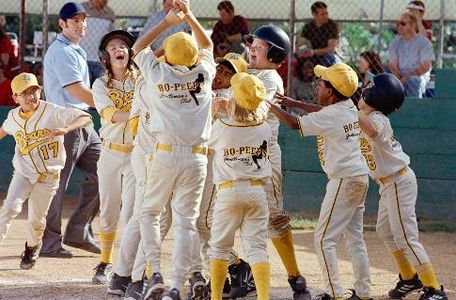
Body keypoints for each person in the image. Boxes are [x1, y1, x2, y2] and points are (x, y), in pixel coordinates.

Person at [132, 1, 216, 299]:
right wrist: (189, 15)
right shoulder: (204, 75)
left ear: (165, 55)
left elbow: (138, 48)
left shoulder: (157, 74)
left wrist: (168, 23)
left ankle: (155, 272)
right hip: (197, 158)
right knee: (185, 222)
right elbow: (207, 44)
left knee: (150, 212)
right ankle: (178, 286)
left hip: (165, 154)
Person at [268, 63, 372, 300]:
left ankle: (335, 293)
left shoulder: (333, 114)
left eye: (322, 84)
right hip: (359, 178)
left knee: (324, 239)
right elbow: (322, 111)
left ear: (331, 92)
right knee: (355, 239)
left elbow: (295, 124)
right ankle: (364, 292)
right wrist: (295, 104)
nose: (317, 85)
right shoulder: (348, 106)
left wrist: (270, 106)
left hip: (344, 181)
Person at [357, 73, 448, 300]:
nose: (364, 88)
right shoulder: (362, 115)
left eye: (369, 87)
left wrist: (349, 111)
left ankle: (434, 288)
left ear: (377, 97)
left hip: (399, 181)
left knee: (406, 237)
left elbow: (372, 131)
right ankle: (409, 279)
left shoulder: (378, 119)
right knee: (385, 231)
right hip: (388, 184)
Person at [0, 73, 91, 269]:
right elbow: (3, 130)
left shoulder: (51, 111)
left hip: (48, 177)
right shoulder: (13, 117)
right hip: (24, 173)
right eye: (24, 94)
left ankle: (32, 248)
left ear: (40, 91)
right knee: (9, 208)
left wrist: (67, 128)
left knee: (35, 221)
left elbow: (85, 116)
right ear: (15, 98)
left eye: (33, 91)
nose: (30, 97)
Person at [248, 24, 311, 300]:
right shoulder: (245, 71)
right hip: (234, 155)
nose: (252, 49)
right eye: (253, 44)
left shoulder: (270, 78)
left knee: (273, 216)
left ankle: (295, 276)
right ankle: (239, 270)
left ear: (273, 54)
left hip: (263, 157)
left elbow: (255, 109)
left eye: (259, 47)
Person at [41, 2, 101, 258]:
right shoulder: (62, 51)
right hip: (63, 125)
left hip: (83, 122)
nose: (80, 24)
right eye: (74, 20)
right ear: (62, 24)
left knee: (106, 172)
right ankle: (49, 243)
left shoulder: (73, 49)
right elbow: (76, 91)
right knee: (57, 185)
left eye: (82, 20)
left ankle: (77, 230)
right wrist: (110, 103)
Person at [209, 72, 271, 300]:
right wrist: (233, 108)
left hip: (229, 192)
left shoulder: (222, 125)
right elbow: (252, 114)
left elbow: (207, 143)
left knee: (219, 247)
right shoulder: (265, 127)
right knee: (256, 248)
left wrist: (215, 112)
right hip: (257, 192)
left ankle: (216, 297)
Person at [91, 30, 138, 284]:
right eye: (112, 48)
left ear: (131, 53)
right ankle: (105, 261)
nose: (119, 49)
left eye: (123, 46)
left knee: (131, 212)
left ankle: (126, 266)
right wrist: (141, 109)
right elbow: (111, 114)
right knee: (109, 211)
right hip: (109, 152)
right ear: (105, 57)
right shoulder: (100, 85)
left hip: (135, 155)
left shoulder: (141, 80)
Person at [388, 12, 434, 98]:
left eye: (403, 23)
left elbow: (426, 66)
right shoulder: (395, 42)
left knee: (414, 81)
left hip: (419, 75)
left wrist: (407, 77)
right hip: (400, 74)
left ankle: (414, 109)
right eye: (398, 24)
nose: (399, 26)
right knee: (387, 79)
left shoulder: (424, 42)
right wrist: (399, 77)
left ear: (412, 25)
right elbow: (392, 64)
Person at [80, 0, 116, 86]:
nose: (106, 2)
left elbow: (112, 37)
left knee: (100, 90)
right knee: (83, 88)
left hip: (100, 61)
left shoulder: (110, 14)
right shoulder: (81, 8)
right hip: (82, 59)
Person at [296, 1, 341, 67]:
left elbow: (331, 49)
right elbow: (300, 44)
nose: (326, 16)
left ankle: (324, 76)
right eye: (323, 14)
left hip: (330, 55)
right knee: (296, 59)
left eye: (326, 13)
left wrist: (314, 51)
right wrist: (304, 51)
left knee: (329, 59)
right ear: (314, 15)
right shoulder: (309, 26)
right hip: (313, 54)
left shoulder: (332, 25)